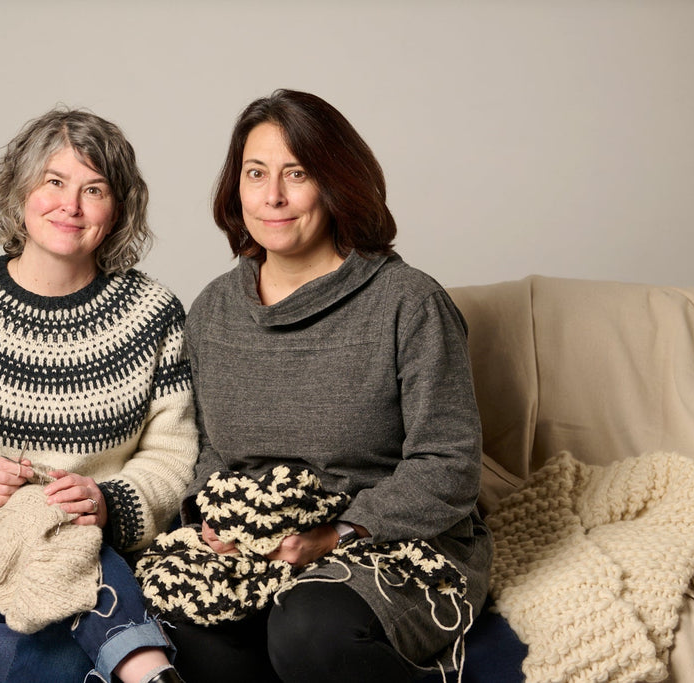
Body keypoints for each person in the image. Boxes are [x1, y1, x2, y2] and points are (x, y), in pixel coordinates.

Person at [163, 90, 492, 682]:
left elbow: (450, 464)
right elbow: (211, 450)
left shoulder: (409, 303)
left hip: (388, 542)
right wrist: (211, 517)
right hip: (256, 548)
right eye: (255, 173)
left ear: (337, 184)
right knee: (183, 629)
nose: (273, 196)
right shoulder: (213, 310)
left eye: (297, 174)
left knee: (308, 630)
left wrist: (335, 534)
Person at [0, 108, 196, 683]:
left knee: (73, 554)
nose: (70, 205)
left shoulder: (154, 313)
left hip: (103, 536)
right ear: (20, 191)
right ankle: (148, 667)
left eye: (94, 190)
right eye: (54, 181)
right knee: (60, 544)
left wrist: (108, 502)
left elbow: (172, 453)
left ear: (118, 209)